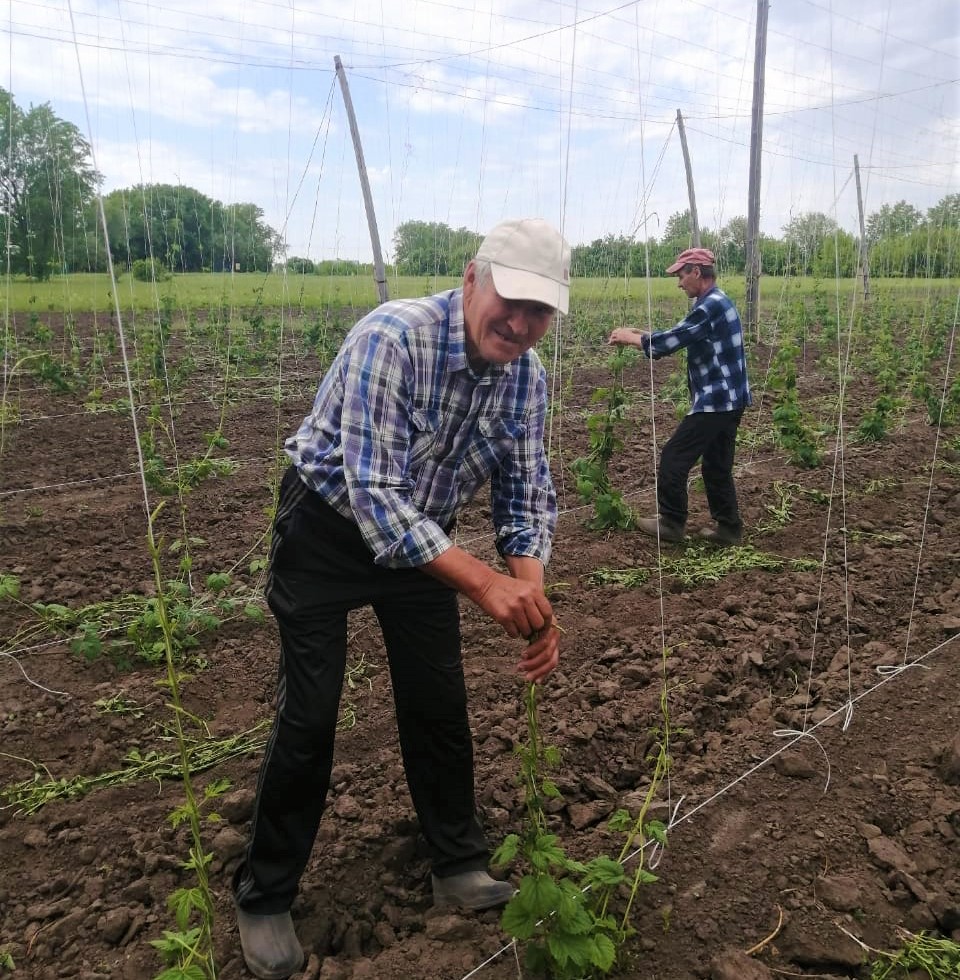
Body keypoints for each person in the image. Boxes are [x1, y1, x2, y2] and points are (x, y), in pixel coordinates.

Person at [232, 218, 569, 979]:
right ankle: (265, 894)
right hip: (327, 524)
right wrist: (487, 583)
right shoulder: (394, 338)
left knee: (437, 697)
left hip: (427, 542)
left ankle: (457, 861)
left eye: (540, 312)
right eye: (510, 300)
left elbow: (527, 494)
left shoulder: (528, 377)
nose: (519, 324)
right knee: (311, 710)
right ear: (472, 277)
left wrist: (533, 599)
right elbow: (377, 499)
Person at [607, 246, 752, 546]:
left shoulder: (710, 305)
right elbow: (686, 332)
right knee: (716, 465)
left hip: (716, 399)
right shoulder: (716, 301)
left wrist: (631, 338)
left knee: (674, 456)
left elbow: (671, 341)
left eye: (681, 275)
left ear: (697, 272)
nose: (679, 282)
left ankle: (671, 522)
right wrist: (643, 333)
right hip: (730, 399)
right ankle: (729, 528)